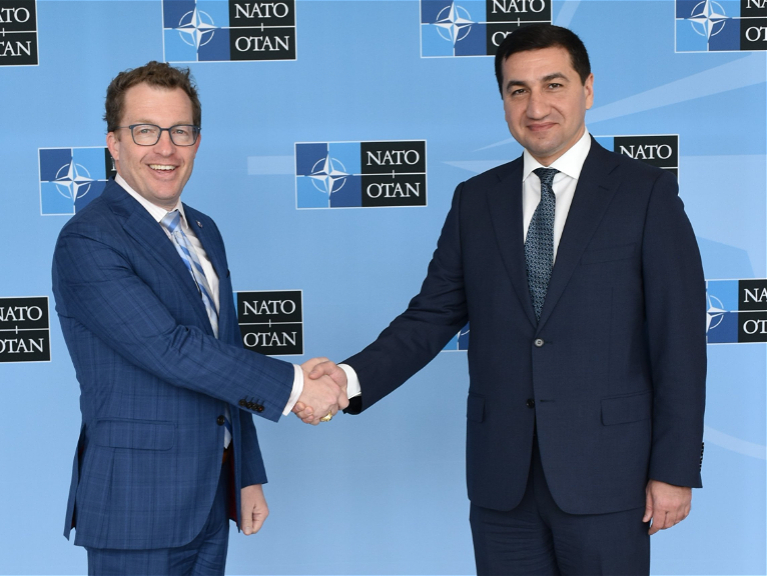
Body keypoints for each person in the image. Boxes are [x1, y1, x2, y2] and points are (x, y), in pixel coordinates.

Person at [302, 24, 706, 575]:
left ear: (588, 89)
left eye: (553, 85)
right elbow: (430, 316)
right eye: (518, 90)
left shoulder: (645, 193)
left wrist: (674, 469)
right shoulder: (476, 200)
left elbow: (679, 342)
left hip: (610, 477)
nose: (536, 107)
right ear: (503, 100)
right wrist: (347, 380)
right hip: (502, 483)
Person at [52, 61, 347, 576]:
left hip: (211, 492)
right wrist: (298, 386)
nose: (165, 148)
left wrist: (246, 473)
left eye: (180, 131)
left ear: (197, 141)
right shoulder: (89, 238)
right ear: (114, 143)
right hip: (136, 506)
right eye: (145, 131)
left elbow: (225, 354)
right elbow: (171, 349)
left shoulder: (203, 229)